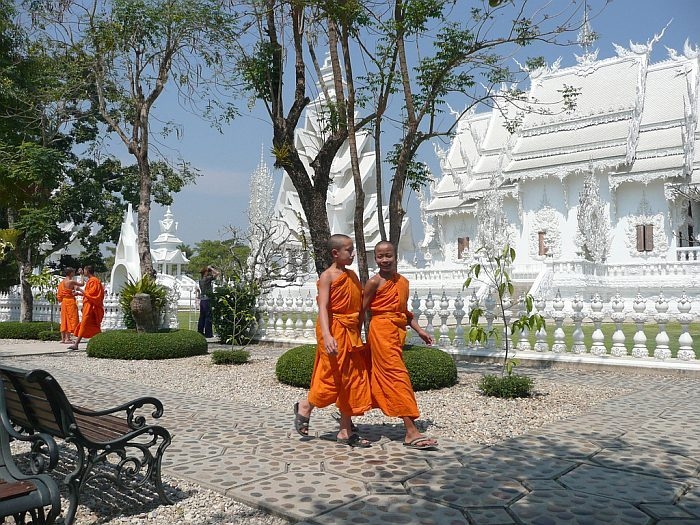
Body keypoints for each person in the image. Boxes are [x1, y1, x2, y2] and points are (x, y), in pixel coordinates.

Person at [293, 234, 372, 447]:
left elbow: (357, 305)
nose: (352, 253)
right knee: (331, 377)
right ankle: (306, 405)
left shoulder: (353, 276)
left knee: (352, 379)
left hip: (350, 332)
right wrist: (327, 335)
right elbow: (323, 308)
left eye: (352, 249)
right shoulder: (327, 276)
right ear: (335, 253)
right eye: (348, 250)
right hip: (334, 330)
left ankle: (345, 431)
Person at [362, 240, 438, 450]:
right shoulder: (373, 283)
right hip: (380, 332)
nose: (384, 260)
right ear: (375, 258)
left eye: (388, 256)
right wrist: (353, 335)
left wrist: (420, 330)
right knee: (398, 376)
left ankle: (346, 420)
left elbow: (404, 313)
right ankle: (411, 431)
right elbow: (361, 310)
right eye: (380, 256)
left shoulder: (403, 282)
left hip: (397, 333)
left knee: (382, 376)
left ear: (396, 256)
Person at [68, 265, 105, 351]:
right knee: (90, 325)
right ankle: (100, 341)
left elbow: (92, 295)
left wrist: (80, 290)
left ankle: (76, 344)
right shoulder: (90, 281)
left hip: (92, 307)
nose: (83, 272)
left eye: (84, 270)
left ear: (87, 271)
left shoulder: (94, 281)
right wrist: (79, 293)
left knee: (85, 324)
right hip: (89, 306)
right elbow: (89, 294)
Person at [56, 267, 81, 344]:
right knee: (70, 319)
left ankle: (63, 339)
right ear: (70, 273)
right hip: (70, 302)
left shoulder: (62, 282)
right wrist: (81, 275)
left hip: (64, 302)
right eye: (73, 272)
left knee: (64, 320)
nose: (74, 274)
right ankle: (68, 338)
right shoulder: (71, 281)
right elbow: (82, 284)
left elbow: (61, 294)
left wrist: (73, 293)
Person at [197, 265, 219, 338]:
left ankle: (200, 331)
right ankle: (208, 333)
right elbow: (217, 273)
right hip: (207, 299)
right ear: (205, 272)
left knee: (202, 317)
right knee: (208, 317)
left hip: (202, 300)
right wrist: (211, 269)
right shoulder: (207, 279)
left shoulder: (200, 280)